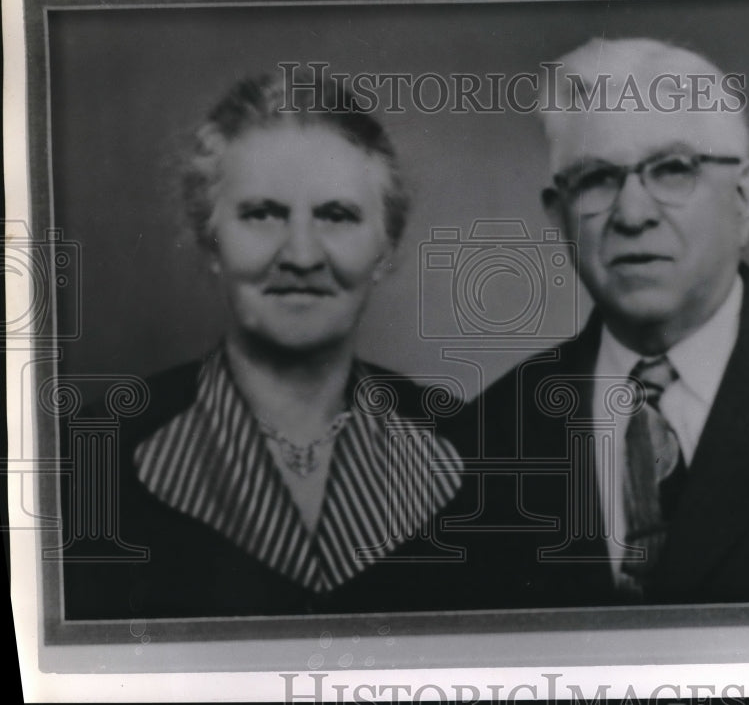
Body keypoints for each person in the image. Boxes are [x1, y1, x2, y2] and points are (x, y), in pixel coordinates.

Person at [459, 38, 749, 607]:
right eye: (596, 179)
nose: (632, 213)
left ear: (744, 198)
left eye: (672, 170)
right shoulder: (485, 438)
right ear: (559, 216)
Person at [60, 73, 472, 618]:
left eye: (336, 215)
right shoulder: (85, 461)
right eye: (262, 214)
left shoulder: (473, 450)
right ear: (212, 240)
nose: (301, 255)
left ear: (386, 248)